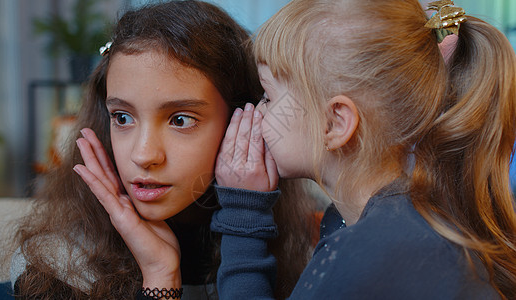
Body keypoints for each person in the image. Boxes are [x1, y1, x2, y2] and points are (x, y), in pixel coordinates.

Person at [10, 1, 316, 299]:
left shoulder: (308, 249)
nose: (143, 155)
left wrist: (245, 222)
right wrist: (161, 277)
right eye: (123, 117)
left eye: (180, 120)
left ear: (243, 123)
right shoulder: (51, 265)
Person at [211, 0, 516, 298]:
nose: (258, 112)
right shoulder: (368, 220)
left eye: (269, 96)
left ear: (335, 123)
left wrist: (243, 215)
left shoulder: (373, 250)